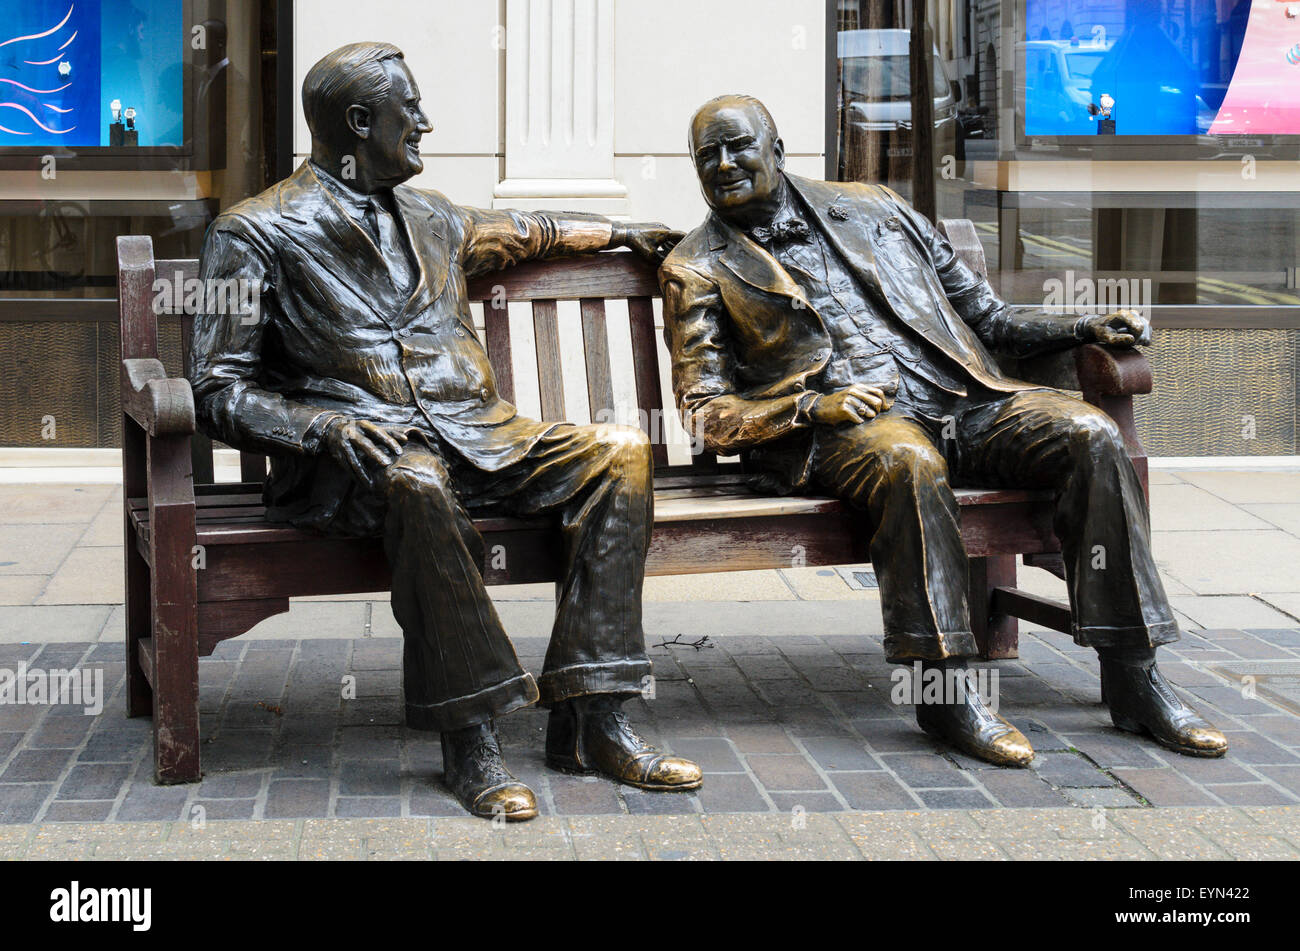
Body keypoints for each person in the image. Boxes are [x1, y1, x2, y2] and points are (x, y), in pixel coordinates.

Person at [190, 42, 701, 821]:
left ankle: (595, 716)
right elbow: (217, 390)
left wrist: (624, 232)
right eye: (410, 111)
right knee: (417, 480)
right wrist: (321, 425)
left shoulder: (435, 217)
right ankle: (473, 737)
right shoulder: (254, 232)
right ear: (361, 122)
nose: (425, 123)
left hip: (478, 435)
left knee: (621, 454)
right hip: (358, 463)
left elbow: (532, 229)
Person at [659, 94, 1226, 767]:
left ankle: (1134, 676)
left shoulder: (875, 207)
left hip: (967, 404)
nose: (723, 164)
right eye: (706, 156)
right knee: (908, 459)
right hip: (849, 431)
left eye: (737, 147)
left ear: (777, 151)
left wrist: (1079, 328)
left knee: (1090, 432)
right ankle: (946, 688)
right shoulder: (695, 266)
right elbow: (706, 410)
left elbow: (988, 319)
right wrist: (811, 407)